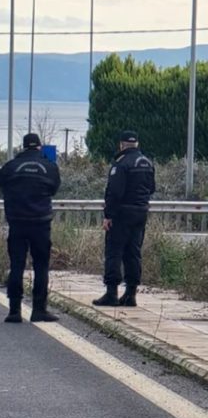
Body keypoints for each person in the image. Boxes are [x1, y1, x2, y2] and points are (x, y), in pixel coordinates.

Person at [0, 133, 61, 323]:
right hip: (41, 223)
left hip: (17, 223)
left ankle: (14, 311)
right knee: (41, 267)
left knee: (17, 265)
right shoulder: (49, 167)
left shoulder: (11, 166)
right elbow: (54, 188)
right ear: (39, 147)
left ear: (23, 146)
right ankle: (39, 310)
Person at [93, 131, 156, 307]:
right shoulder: (146, 162)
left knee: (114, 252)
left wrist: (108, 216)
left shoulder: (121, 164)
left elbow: (114, 193)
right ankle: (130, 294)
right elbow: (151, 188)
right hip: (141, 212)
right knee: (133, 253)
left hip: (121, 214)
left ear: (121, 144)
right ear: (137, 143)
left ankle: (111, 293)